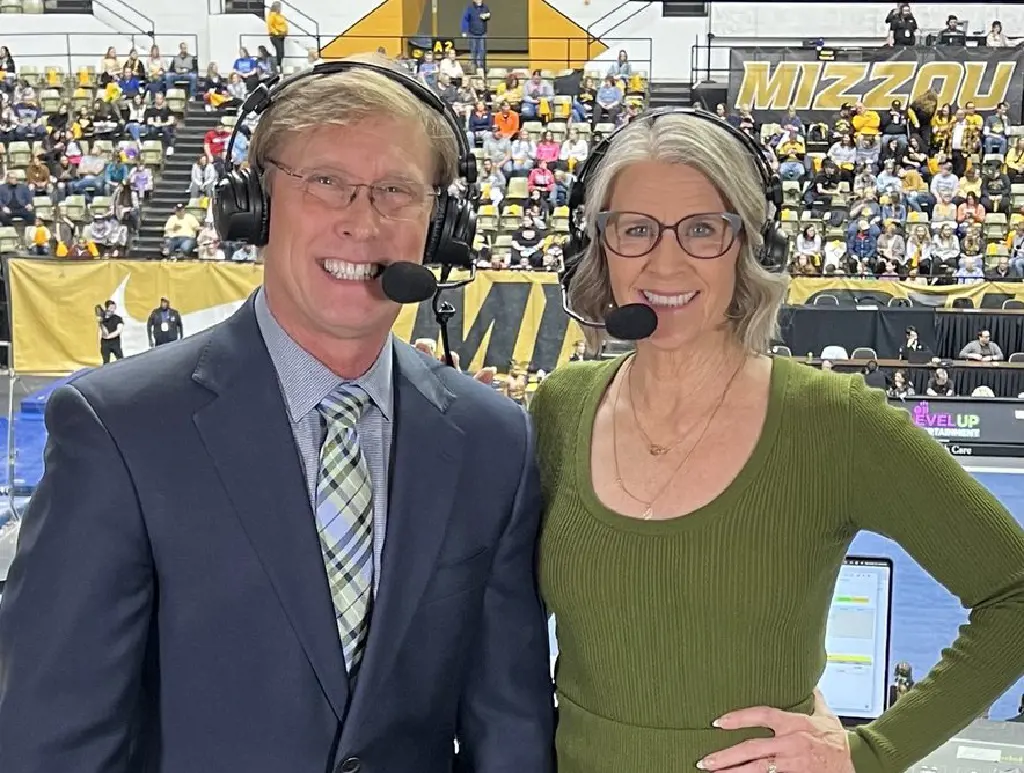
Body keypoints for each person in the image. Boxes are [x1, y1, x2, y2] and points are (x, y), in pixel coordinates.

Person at [0, 55, 555, 773]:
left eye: (396, 190)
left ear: (440, 223)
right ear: (256, 204)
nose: (363, 221)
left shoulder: (493, 439)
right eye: (325, 182)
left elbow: (507, 728)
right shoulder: (119, 431)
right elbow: (52, 742)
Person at [530, 111, 1024, 773]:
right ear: (598, 247)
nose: (665, 260)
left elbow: (1014, 590)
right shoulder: (560, 410)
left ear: (751, 246)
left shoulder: (829, 420)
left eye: (703, 229)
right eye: (635, 229)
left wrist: (869, 754)